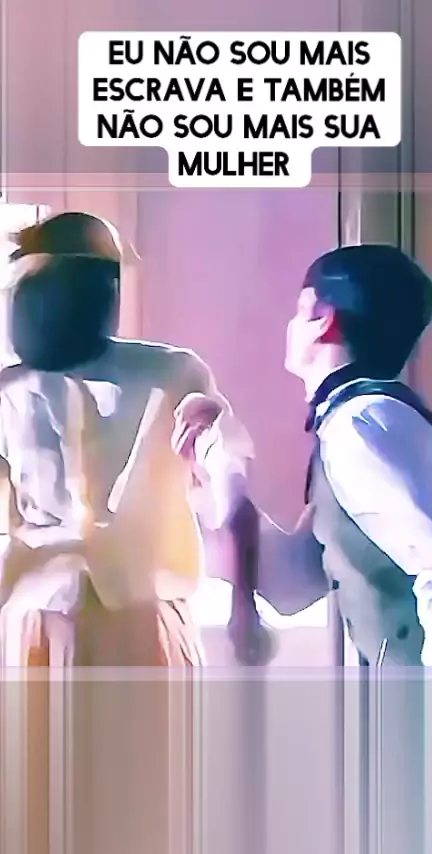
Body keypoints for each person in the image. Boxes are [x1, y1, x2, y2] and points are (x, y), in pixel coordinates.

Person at [0, 211, 263, 854]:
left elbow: (222, 469)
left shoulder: (171, 374)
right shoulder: (13, 391)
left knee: (127, 805)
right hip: (59, 621)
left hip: (123, 620)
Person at [173, 244, 432, 668]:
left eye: (300, 311)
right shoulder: (355, 423)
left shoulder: (363, 423)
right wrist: (219, 471)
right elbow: (292, 583)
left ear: (322, 319)